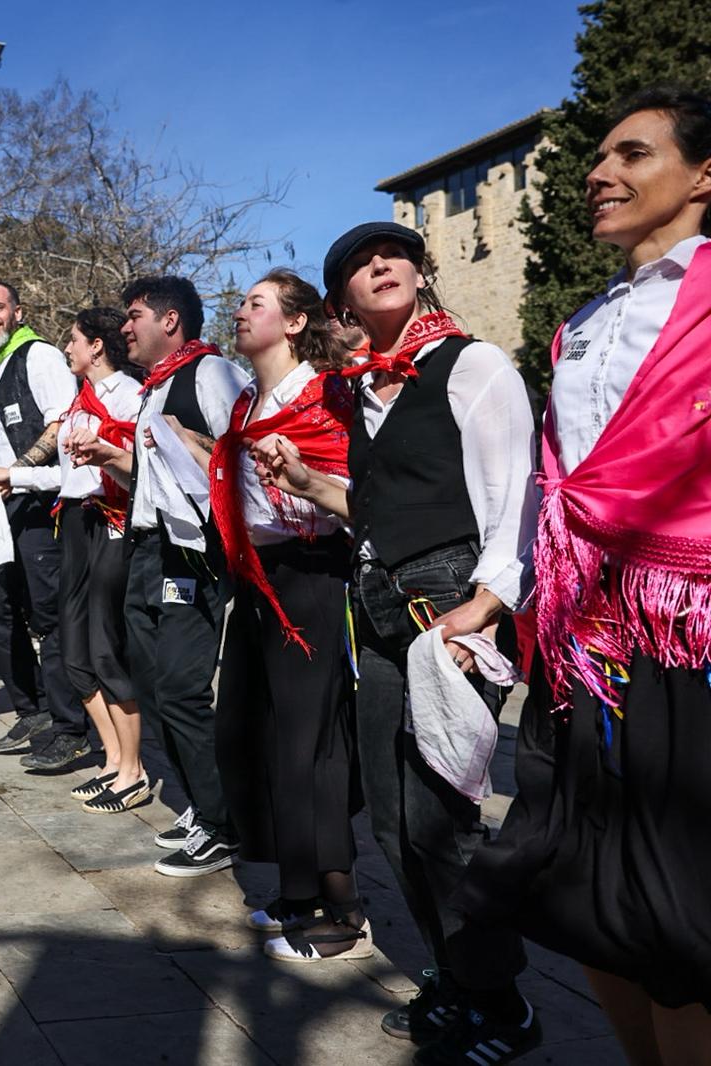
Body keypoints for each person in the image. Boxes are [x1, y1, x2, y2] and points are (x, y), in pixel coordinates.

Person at [457, 88, 711, 1065]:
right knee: (575, 887)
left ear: (702, 174)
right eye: (598, 157)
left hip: (684, 636)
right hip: (579, 643)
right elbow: (554, 485)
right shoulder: (582, 323)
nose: (599, 173)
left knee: (678, 910)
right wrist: (498, 597)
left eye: (632, 154)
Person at [255, 220, 539, 1056]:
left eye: (395, 255)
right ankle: (455, 977)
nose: (380, 264)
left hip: (452, 608)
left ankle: (502, 1004)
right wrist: (306, 480)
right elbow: (371, 510)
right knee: (391, 820)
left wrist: (487, 606)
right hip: (381, 612)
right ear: (342, 300)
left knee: (440, 819)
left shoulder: (472, 365)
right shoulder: (361, 392)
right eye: (358, 264)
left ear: (419, 273)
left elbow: (516, 493)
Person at [206, 270, 367, 959]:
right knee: (254, 732)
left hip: (311, 573)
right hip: (258, 576)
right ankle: (298, 888)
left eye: (256, 304)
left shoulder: (324, 395)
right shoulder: (248, 401)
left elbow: (353, 488)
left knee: (310, 744)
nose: (240, 312)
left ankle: (341, 907)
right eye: (242, 303)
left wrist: (302, 481)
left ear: (295, 323)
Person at [68, 275, 250, 876]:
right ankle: (201, 806)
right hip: (146, 550)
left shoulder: (211, 374)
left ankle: (224, 824)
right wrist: (112, 458)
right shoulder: (155, 387)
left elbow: (240, 459)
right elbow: (155, 477)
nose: (125, 326)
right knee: (151, 685)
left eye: (135, 314)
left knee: (181, 688)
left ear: (171, 321)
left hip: (189, 554)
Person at [0, 281, 82, 770]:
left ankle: (69, 727)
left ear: (19, 311)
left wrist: (16, 473)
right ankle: (36, 709)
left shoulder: (39, 356)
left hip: (44, 504)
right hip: (10, 504)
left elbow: (61, 425)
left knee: (50, 617)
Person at [48, 308, 145, 812]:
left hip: (113, 520)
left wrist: (106, 452)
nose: (68, 348)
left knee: (107, 648)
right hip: (76, 522)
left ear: (97, 347)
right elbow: (67, 476)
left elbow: (143, 472)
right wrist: (13, 476)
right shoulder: (78, 400)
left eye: (73, 340)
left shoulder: (130, 395)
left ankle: (133, 769)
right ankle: (112, 759)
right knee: (75, 652)